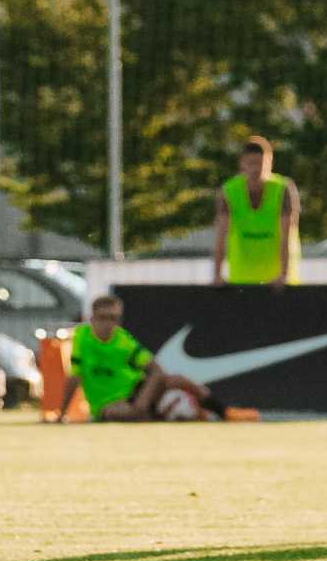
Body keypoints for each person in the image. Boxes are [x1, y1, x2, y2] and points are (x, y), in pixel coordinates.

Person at [66, 292, 220, 422]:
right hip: (107, 403)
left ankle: (223, 412)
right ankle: (171, 414)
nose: (108, 324)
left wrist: (142, 402)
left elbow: (156, 371)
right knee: (122, 413)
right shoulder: (81, 337)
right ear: (92, 318)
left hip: (135, 391)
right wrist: (61, 413)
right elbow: (74, 377)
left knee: (179, 380)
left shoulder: (123, 340)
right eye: (103, 318)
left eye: (114, 318)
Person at [210, 137, 299, 287]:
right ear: (242, 163)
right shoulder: (229, 191)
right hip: (240, 282)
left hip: (277, 284)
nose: (255, 169)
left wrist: (283, 275)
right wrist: (217, 275)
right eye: (251, 164)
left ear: (270, 163)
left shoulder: (283, 189)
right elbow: (220, 236)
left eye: (260, 164)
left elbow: (287, 235)